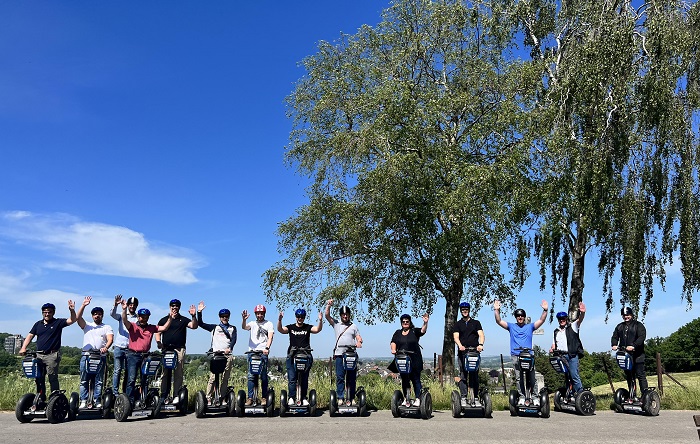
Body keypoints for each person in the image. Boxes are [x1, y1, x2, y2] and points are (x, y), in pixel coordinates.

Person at [19, 300, 78, 399]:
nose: (47, 314)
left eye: (49, 312)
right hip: (39, 355)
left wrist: (72, 310)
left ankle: (54, 398)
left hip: (52, 355)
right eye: (45, 312)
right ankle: (41, 398)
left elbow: (72, 320)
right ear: (42, 313)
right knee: (38, 378)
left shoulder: (58, 322)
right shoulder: (38, 324)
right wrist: (23, 347)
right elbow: (30, 336)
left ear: (53, 312)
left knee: (52, 378)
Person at [494, 299, 548, 405]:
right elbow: (499, 321)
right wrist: (496, 310)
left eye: (522, 316)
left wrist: (545, 311)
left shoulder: (530, 327)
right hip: (516, 355)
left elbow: (541, 321)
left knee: (532, 377)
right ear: (516, 317)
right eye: (518, 316)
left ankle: (535, 397)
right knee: (519, 378)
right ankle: (522, 396)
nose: (520, 317)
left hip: (529, 355)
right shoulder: (511, 326)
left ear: (524, 317)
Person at [121, 300, 171, 404]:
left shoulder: (151, 327)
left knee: (145, 379)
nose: (144, 319)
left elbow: (164, 328)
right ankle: (129, 401)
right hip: (133, 355)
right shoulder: (133, 326)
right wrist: (124, 309)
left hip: (145, 356)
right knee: (131, 379)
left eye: (146, 317)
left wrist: (170, 318)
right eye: (142, 316)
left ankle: (142, 399)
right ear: (138, 317)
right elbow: (124, 320)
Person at [154, 299, 198, 404]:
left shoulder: (183, 320)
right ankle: (164, 395)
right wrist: (158, 342)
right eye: (173, 306)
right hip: (166, 349)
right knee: (165, 373)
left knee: (178, 373)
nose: (175, 307)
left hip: (179, 349)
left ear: (179, 307)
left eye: (177, 306)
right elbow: (157, 332)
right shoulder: (164, 319)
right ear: (170, 307)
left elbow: (194, 326)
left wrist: (193, 316)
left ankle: (176, 395)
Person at [277, 308, 323, 406]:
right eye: (298, 316)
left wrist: (320, 320)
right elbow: (280, 330)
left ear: (304, 317)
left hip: (305, 355)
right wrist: (280, 320)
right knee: (292, 378)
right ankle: (291, 397)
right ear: (296, 317)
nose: (300, 318)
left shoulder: (307, 327)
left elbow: (317, 330)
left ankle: (303, 397)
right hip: (292, 355)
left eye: (302, 317)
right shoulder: (291, 327)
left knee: (304, 378)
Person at [76, 296, 114, 409]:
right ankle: (83, 400)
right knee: (84, 380)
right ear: (92, 316)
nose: (97, 315)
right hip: (86, 356)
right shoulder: (87, 326)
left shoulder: (107, 327)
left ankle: (97, 400)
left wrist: (106, 347)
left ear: (102, 315)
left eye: (99, 314)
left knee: (99, 381)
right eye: (95, 314)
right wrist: (83, 305)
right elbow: (78, 318)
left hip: (100, 356)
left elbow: (110, 339)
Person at [197, 301, 237, 404]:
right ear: (219, 317)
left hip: (227, 355)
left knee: (225, 378)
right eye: (222, 316)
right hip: (216, 355)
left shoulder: (232, 328)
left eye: (226, 316)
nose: (224, 318)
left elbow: (233, 340)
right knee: (213, 377)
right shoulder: (214, 328)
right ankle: (209, 397)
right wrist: (199, 312)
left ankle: (222, 397)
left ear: (229, 317)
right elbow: (200, 324)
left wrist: (230, 348)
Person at [325, 299, 363, 406]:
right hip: (339, 355)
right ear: (341, 315)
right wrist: (328, 305)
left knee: (351, 377)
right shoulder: (336, 324)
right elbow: (327, 316)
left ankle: (351, 397)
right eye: (343, 314)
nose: (345, 316)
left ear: (349, 315)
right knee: (340, 376)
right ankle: (340, 397)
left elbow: (359, 337)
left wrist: (359, 342)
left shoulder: (353, 326)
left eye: (347, 314)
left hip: (351, 354)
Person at [390, 313, 429, 406]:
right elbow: (393, 342)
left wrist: (425, 322)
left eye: (407, 321)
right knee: (404, 379)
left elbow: (423, 331)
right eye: (403, 322)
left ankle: (417, 398)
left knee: (415, 379)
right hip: (402, 359)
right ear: (401, 323)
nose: (405, 323)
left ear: (410, 322)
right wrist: (393, 349)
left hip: (414, 359)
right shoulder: (397, 333)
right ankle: (406, 398)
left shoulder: (414, 331)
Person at [550, 302, 586, 394]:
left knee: (574, 375)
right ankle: (569, 394)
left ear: (566, 319)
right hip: (562, 356)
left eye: (563, 318)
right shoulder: (556, 331)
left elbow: (579, 320)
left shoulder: (572, 326)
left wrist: (582, 313)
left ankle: (580, 393)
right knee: (567, 376)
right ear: (558, 320)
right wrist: (552, 349)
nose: (562, 320)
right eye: (560, 319)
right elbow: (554, 344)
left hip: (572, 355)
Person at [611, 306, 648, 397]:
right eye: (624, 315)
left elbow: (641, 337)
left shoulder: (638, 325)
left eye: (627, 315)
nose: (625, 317)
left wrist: (634, 346)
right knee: (629, 376)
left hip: (637, 355)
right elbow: (615, 337)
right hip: (626, 355)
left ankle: (645, 396)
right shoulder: (620, 326)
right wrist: (614, 344)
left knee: (640, 375)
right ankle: (632, 396)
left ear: (631, 315)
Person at [241, 304, 274, 406]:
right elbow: (244, 327)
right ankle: (250, 398)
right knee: (251, 376)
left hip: (262, 353)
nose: (259, 315)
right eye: (258, 314)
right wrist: (244, 320)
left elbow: (270, 337)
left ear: (264, 314)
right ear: (255, 314)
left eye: (261, 313)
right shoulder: (252, 323)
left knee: (263, 376)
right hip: (252, 352)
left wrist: (267, 348)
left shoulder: (269, 324)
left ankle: (264, 397)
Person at [452, 302, 484, 405]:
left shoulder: (476, 323)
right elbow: (456, 337)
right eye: (462, 309)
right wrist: (460, 345)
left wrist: (480, 344)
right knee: (463, 375)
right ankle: (463, 397)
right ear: (461, 311)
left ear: (469, 310)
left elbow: (481, 335)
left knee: (474, 375)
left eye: (466, 309)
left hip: (474, 352)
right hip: (463, 353)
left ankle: (475, 397)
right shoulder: (458, 324)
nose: (464, 311)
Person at [110, 294, 138, 395]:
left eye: (134, 305)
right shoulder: (122, 315)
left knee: (128, 371)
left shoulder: (138, 319)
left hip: (130, 348)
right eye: (130, 304)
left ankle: (125, 392)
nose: (132, 306)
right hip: (119, 346)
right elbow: (112, 314)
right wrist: (116, 305)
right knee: (117, 370)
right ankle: (115, 393)